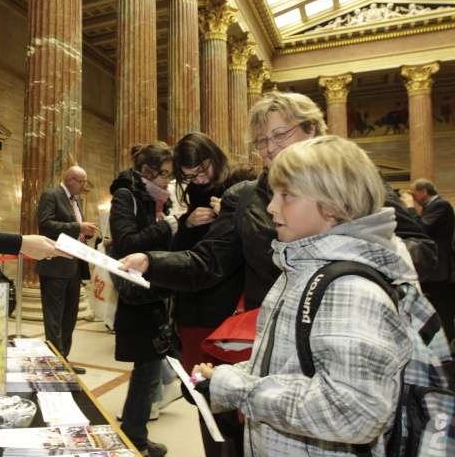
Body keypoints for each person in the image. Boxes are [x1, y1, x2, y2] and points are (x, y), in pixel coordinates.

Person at [192, 135, 413, 457]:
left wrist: (241, 391)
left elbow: (352, 411)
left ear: (334, 201)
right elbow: (291, 368)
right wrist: (232, 375)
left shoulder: (348, 290)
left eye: (287, 195)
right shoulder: (299, 269)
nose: (270, 207)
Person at [119, 91, 436, 315]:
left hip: (352, 323)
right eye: (261, 140)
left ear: (310, 130)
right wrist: (151, 261)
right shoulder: (244, 197)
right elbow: (208, 262)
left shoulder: (354, 180)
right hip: (273, 332)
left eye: (280, 134)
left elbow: (422, 250)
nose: (270, 148)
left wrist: (349, 263)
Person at [170, 132, 256, 457]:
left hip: (230, 317)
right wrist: (187, 224)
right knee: (204, 399)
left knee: (236, 405)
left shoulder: (243, 185)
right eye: (189, 176)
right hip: (192, 314)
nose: (198, 179)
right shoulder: (192, 198)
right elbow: (182, 258)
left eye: (202, 169)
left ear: (215, 157)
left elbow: (259, 248)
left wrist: (234, 214)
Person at [109, 142, 180, 457]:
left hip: (156, 293)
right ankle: (134, 440)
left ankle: (137, 430)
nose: (168, 181)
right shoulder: (126, 196)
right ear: (147, 171)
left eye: (170, 174)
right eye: (164, 174)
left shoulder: (156, 200)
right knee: (146, 372)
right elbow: (126, 244)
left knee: (150, 373)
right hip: (137, 296)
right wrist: (169, 226)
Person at [37, 166, 98, 374]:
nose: (84, 186)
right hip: (54, 265)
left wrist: (85, 234)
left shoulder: (77, 200)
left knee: (69, 316)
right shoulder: (51, 195)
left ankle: (64, 359)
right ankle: (55, 362)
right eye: (81, 182)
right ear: (70, 179)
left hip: (74, 265)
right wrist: (77, 228)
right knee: (54, 317)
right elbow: (45, 225)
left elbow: (73, 228)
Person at [401, 178, 455, 347]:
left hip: (440, 271)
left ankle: (448, 346)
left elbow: (421, 228)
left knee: (443, 310)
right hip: (435, 271)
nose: (412, 196)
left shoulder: (441, 205)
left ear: (424, 191)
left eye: (414, 192)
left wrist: (409, 207)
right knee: (437, 310)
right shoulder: (431, 207)